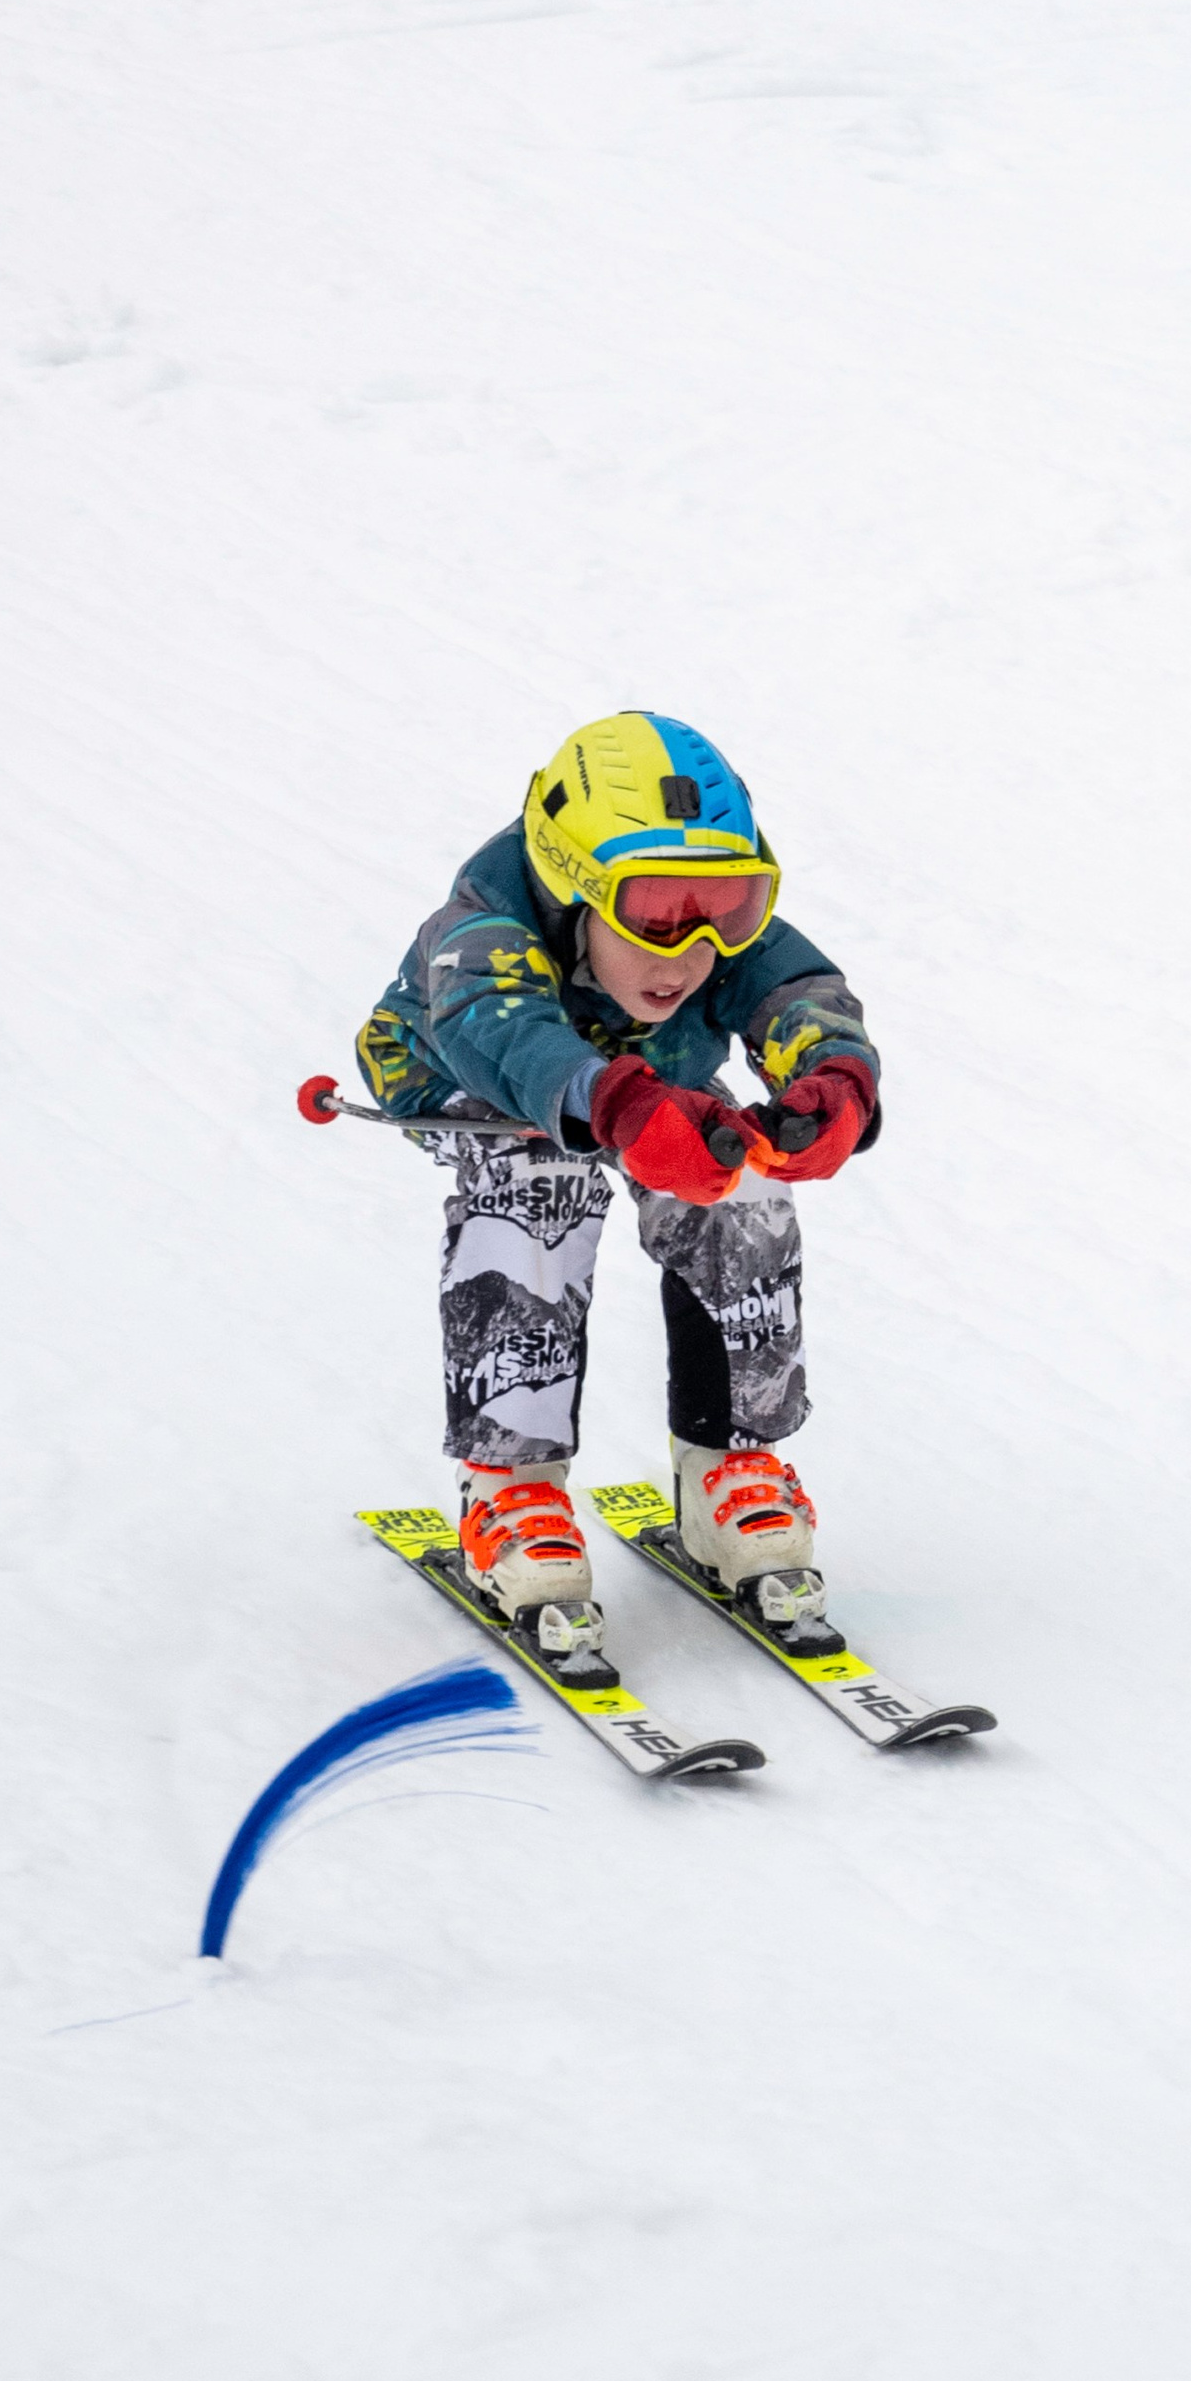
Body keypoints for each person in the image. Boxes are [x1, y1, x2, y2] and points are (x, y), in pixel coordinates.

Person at [353, 710, 881, 1669]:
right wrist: (621, 1109)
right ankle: (510, 1486)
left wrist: (831, 1075)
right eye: (653, 913)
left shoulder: (705, 941)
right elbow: (505, 1029)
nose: (689, 949)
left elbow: (791, 985)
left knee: (742, 1182)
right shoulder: (483, 930)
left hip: (645, 1088)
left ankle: (728, 1462)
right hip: (492, 1086)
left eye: (728, 907)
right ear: (572, 885)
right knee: (537, 1189)